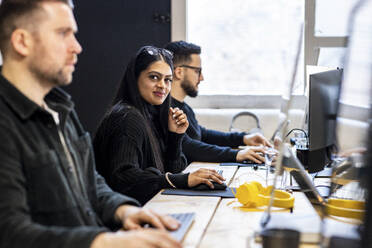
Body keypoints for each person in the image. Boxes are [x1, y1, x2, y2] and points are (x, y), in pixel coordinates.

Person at [0, 1, 183, 247]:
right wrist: (104, 241)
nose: (77, 47)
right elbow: (11, 232)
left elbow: (90, 183)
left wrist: (124, 210)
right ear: (22, 41)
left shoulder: (60, 108)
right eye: (63, 33)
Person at [93, 45, 225, 205]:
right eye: (154, 77)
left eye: (167, 80)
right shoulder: (127, 117)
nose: (163, 85)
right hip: (127, 219)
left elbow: (173, 170)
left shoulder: (153, 114)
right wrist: (183, 179)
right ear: (135, 78)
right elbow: (125, 178)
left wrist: (175, 136)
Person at [164, 40, 271, 164]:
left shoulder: (184, 108)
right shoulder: (166, 110)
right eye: (197, 71)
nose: (202, 78)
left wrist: (243, 138)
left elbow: (202, 134)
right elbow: (188, 147)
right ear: (179, 72)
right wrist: (236, 154)